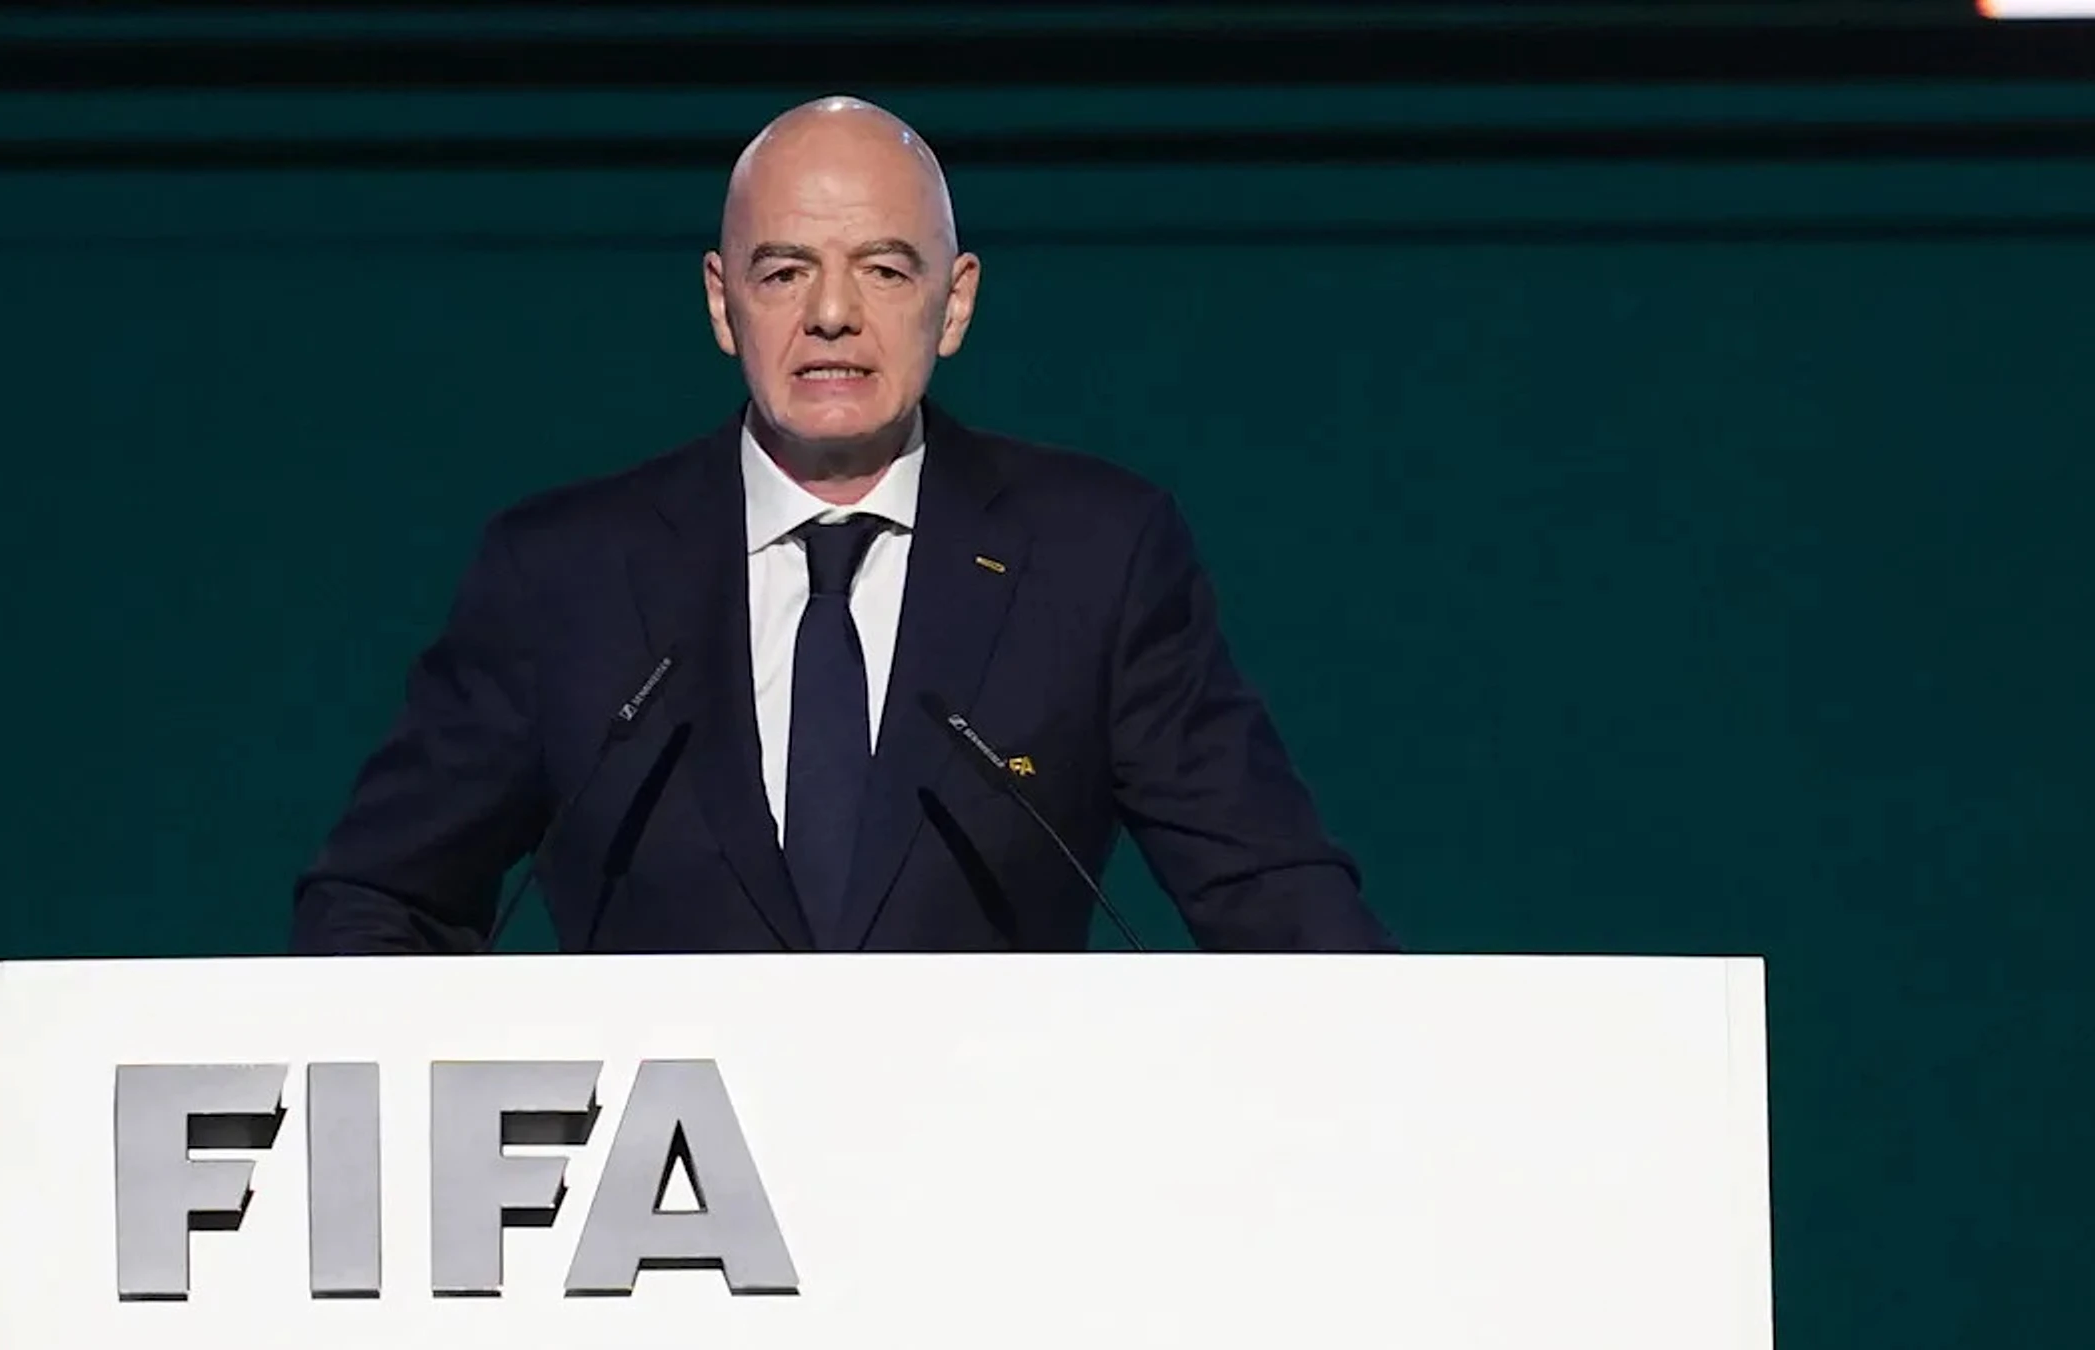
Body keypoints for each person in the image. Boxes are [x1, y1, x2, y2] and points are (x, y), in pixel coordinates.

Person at [289, 96, 1395, 955]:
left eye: (884, 269)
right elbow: (375, 905)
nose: (832, 314)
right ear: (723, 303)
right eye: (786, 271)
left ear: (954, 303)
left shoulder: (1095, 557)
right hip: (661, 1175)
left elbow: (1276, 902)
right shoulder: (562, 576)